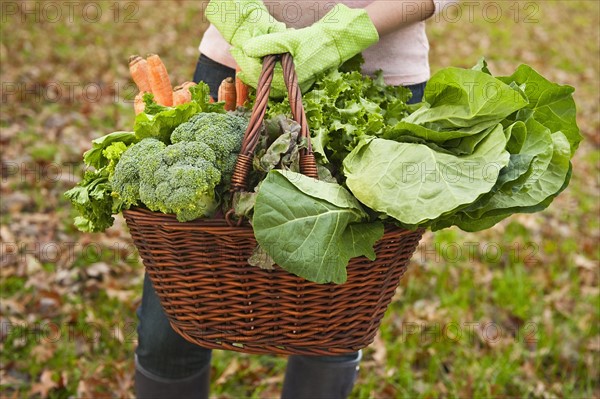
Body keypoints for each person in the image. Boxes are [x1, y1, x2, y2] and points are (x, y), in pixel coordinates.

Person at [135, 1, 456, 398]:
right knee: (173, 319)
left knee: (332, 312)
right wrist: (242, 17)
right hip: (240, 62)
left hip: (380, 80)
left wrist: (342, 34)